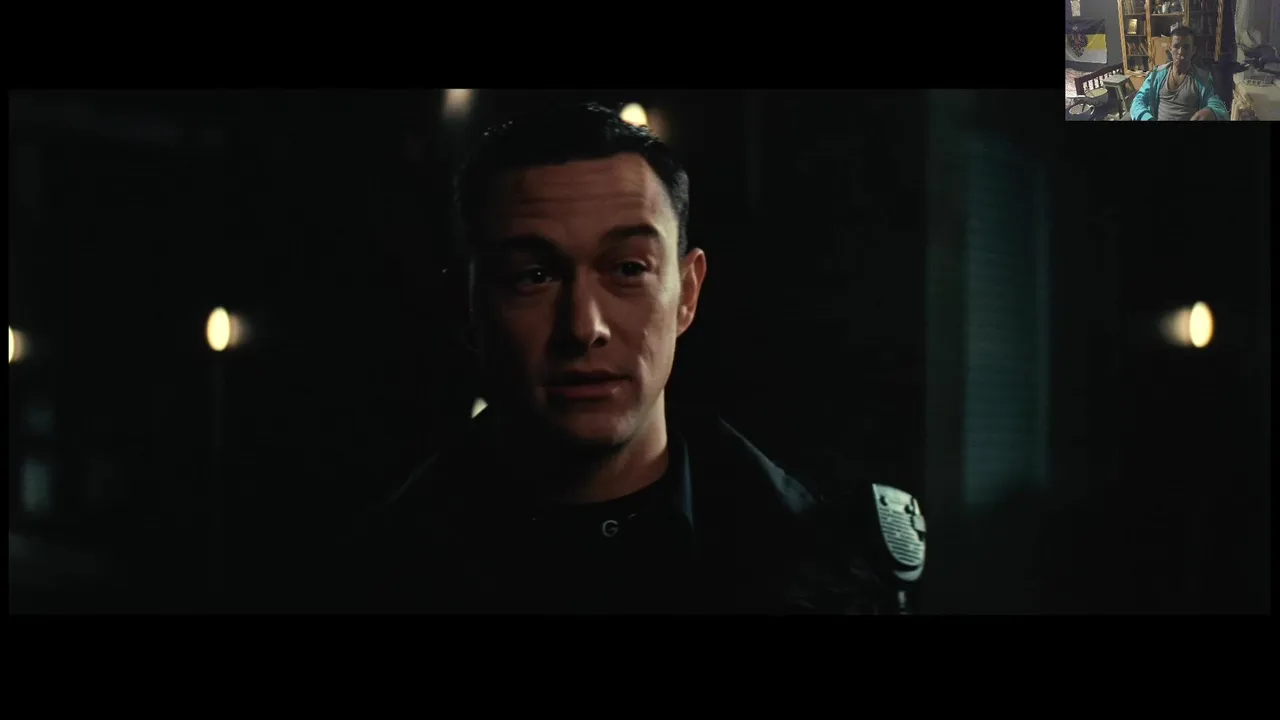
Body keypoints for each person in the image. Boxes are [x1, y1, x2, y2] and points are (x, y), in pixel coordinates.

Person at [322, 102, 894, 614]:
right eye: (534, 276)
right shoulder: (376, 574)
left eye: (627, 269)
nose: (583, 328)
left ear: (687, 293)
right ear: (467, 307)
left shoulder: (819, 568)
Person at [1130, 26, 1229, 121]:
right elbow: (1138, 101)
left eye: (1186, 47)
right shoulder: (1157, 75)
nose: (1181, 52)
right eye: (1176, 46)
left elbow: (1217, 104)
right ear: (1170, 49)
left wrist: (1210, 111)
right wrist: (1147, 118)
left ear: (1193, 50)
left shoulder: (1202, 79)